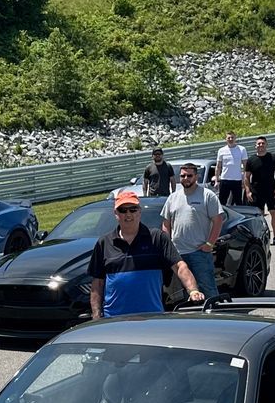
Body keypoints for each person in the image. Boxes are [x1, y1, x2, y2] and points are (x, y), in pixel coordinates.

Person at [88, 189, 204, 318]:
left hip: (152, 318)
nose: (128, 214)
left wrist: (193, 290)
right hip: (114, 320)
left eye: (133, 209)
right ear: (116, 213)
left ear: (139, 211)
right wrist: (96, 316)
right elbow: (97, 283)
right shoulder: (104, 242)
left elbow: (180, 267)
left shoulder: (157, 238)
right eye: (123, 210)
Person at [161, 163, 225, 300]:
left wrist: (209, 244)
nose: (186, 178)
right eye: (183, 175)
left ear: (196, 176)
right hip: (177, 256)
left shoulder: (208, 196)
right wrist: (169, 247)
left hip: (199, 253)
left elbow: (218, 221)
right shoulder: (173, 198)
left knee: (208, 290)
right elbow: (166, 224)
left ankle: (214, 318)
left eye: (189, 175)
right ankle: (192, 319)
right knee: (185, 294)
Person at [246, 135, 275, 243]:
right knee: (258, 216)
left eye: (263, 143)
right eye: (259, 144)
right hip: (256, 191)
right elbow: (246, 177)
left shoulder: (273, 158)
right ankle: (260, 238)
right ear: (255, 146)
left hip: (271, 190)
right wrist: (248, 191)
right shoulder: (251, 160)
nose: (261, 145)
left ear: (266, 145)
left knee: (274, 213)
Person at [214, 133, 247, 205]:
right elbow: (218, 166)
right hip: (225, 179)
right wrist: (216, 180)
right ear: (226, 139)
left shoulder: (242, 149)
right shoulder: (221, 150)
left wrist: (244, 180)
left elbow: (245, 166)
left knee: (238, 202)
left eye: (232, 137)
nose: (230, 139)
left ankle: (239, 216)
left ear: (235, 138)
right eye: (229, 138)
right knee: (222, 201)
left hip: (237, 180)